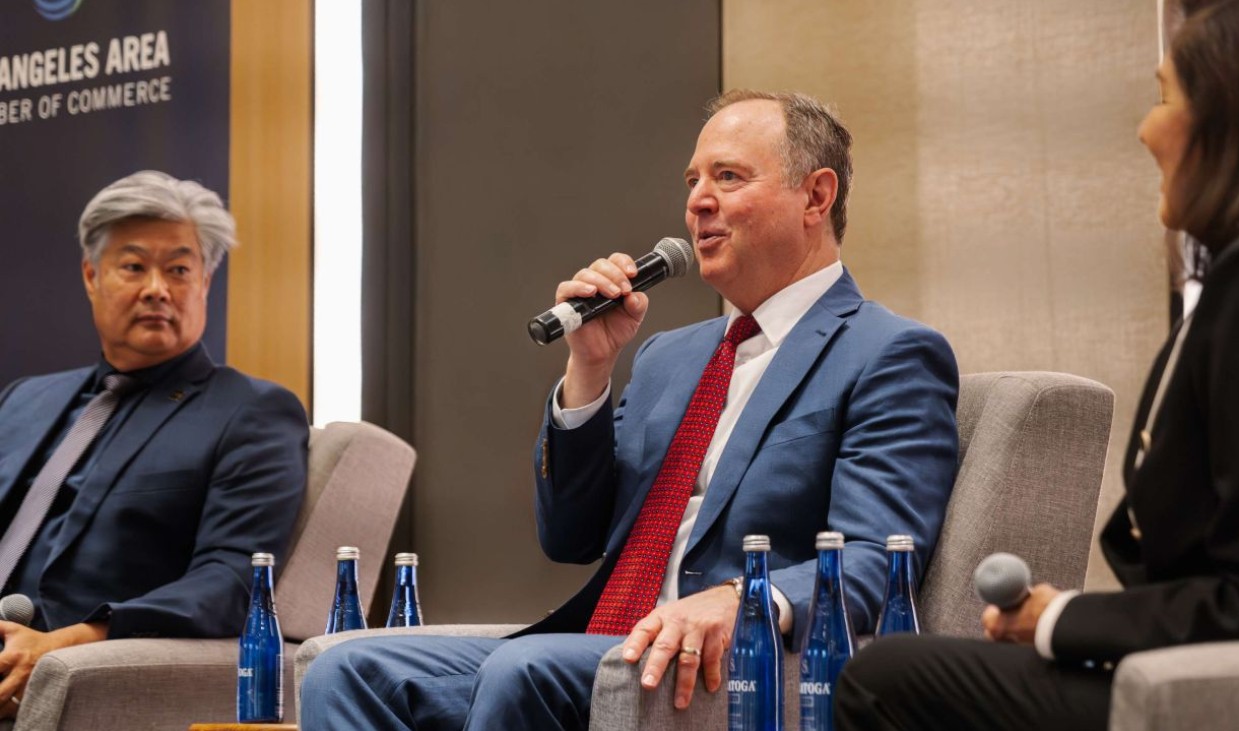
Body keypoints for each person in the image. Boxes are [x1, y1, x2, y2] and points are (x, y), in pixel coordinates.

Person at [300, 90, 959, 731]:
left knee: (524, 671)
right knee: (345, 667)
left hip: (735, 660)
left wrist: (742, 601)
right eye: (693, 179)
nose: (697, 200)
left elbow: (875, 557)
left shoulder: (887, 353)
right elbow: (571, 537)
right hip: (603, 636)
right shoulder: (671, 356)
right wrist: (589, 368)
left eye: (728, 177)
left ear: (816, 196)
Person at [833, 1, 1239, 729]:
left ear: (1227, 123)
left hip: (1229, 682)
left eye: (1163, 96)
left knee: (885, 675)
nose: (1145, 128)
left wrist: (1062, 620)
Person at [0, 170, 308, 715]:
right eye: (134, 266)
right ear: (91, 275)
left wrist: (71, 641)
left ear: (206, 283)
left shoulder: (252, 412)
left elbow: (230, 581)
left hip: (57, 656)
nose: (156, 289)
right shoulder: (24, 400)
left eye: (180, 269)